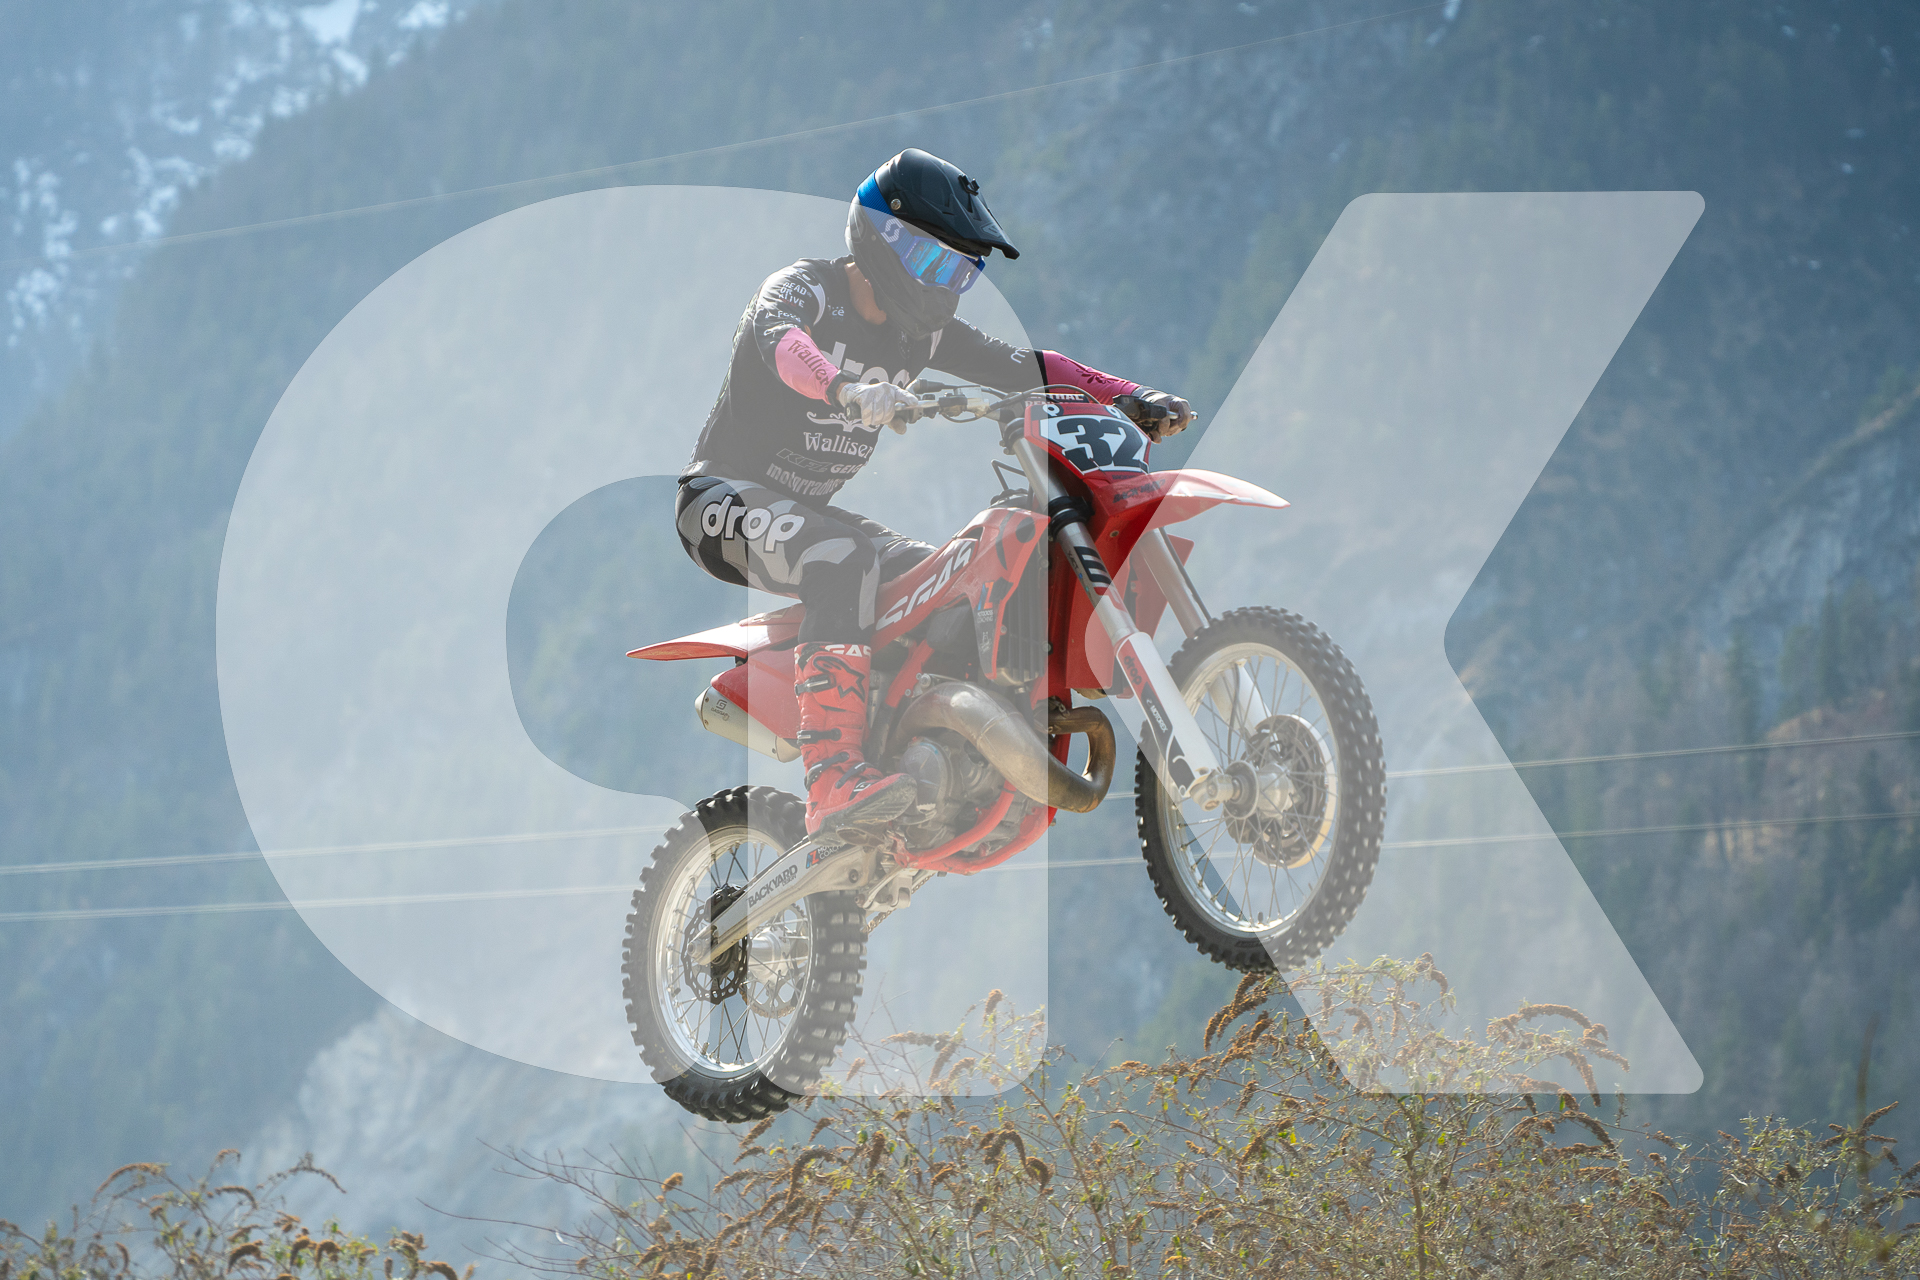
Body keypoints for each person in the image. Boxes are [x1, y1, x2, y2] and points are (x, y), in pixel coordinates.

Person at [677, 148, 1193, 842]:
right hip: (719, 501)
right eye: (933, 263)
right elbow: (781, 340)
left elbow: (1028, 367)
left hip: (810, 514)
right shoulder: (807, 289)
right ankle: (832, 777)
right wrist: (843, 388)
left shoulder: (921, 339)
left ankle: (909, 755)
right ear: (882, 237)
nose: (944, 286)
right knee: (842, 561)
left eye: (961, 272)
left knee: (941, 583)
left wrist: (1130, 395)